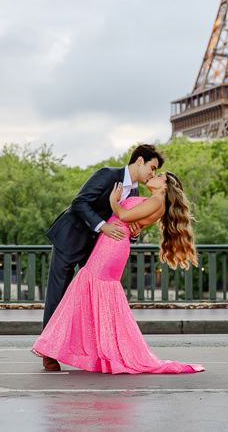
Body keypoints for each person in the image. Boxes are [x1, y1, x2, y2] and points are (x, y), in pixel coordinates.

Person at [32, 171, 203, 374]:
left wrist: (114, 200)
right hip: (112, 242)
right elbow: (131, 221)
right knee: (91, 295)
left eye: (159, 176)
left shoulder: (157, 201)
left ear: (165, 186)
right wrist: (135, 226)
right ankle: (97, 351)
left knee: (84, 292)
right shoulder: (154, 201)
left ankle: (57, 346)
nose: (153, 176)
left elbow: (123, 215)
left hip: (112, 245)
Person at [39, 144, 164, 371]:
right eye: (152, 168)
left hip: (97, 249)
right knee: (58, 294)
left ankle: (91, 351)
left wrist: (134, 234)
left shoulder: (135, 193)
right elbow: (79, 203)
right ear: (139, 161)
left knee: (87, 298)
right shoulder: (108, 174)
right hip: (70, 238)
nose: (152, 174)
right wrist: (102, 226)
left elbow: (126, 224)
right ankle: (48, 352)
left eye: (156, 172)